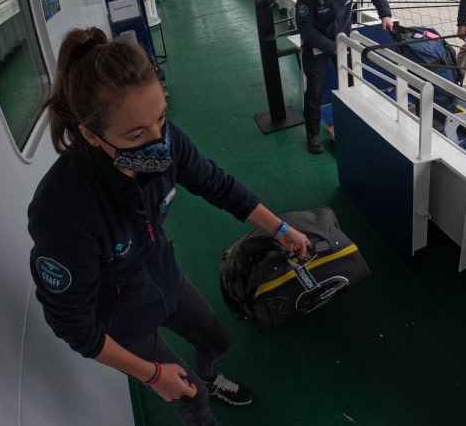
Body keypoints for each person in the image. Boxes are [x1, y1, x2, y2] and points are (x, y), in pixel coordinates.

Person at [28, 28, 311, 426]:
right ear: (91, 135)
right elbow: (73, 325)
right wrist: (153, 375)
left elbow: (217, 184)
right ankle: (200, 396)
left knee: (217, 341)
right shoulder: (63, 212)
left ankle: (210, 378)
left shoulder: (166, 141)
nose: (160, 143)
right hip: (121, 316)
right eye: (136, 134)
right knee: (190, 399)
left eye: (161, 118)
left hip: (162, 275)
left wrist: (281, 229)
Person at [296, 0, 393, 153]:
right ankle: (312, 133)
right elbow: (305, 28)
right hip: (317, 46)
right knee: (315, 90)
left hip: (343, 42)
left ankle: (354, 122)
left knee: (353, 82)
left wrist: (385, 14)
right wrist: (331, 47)